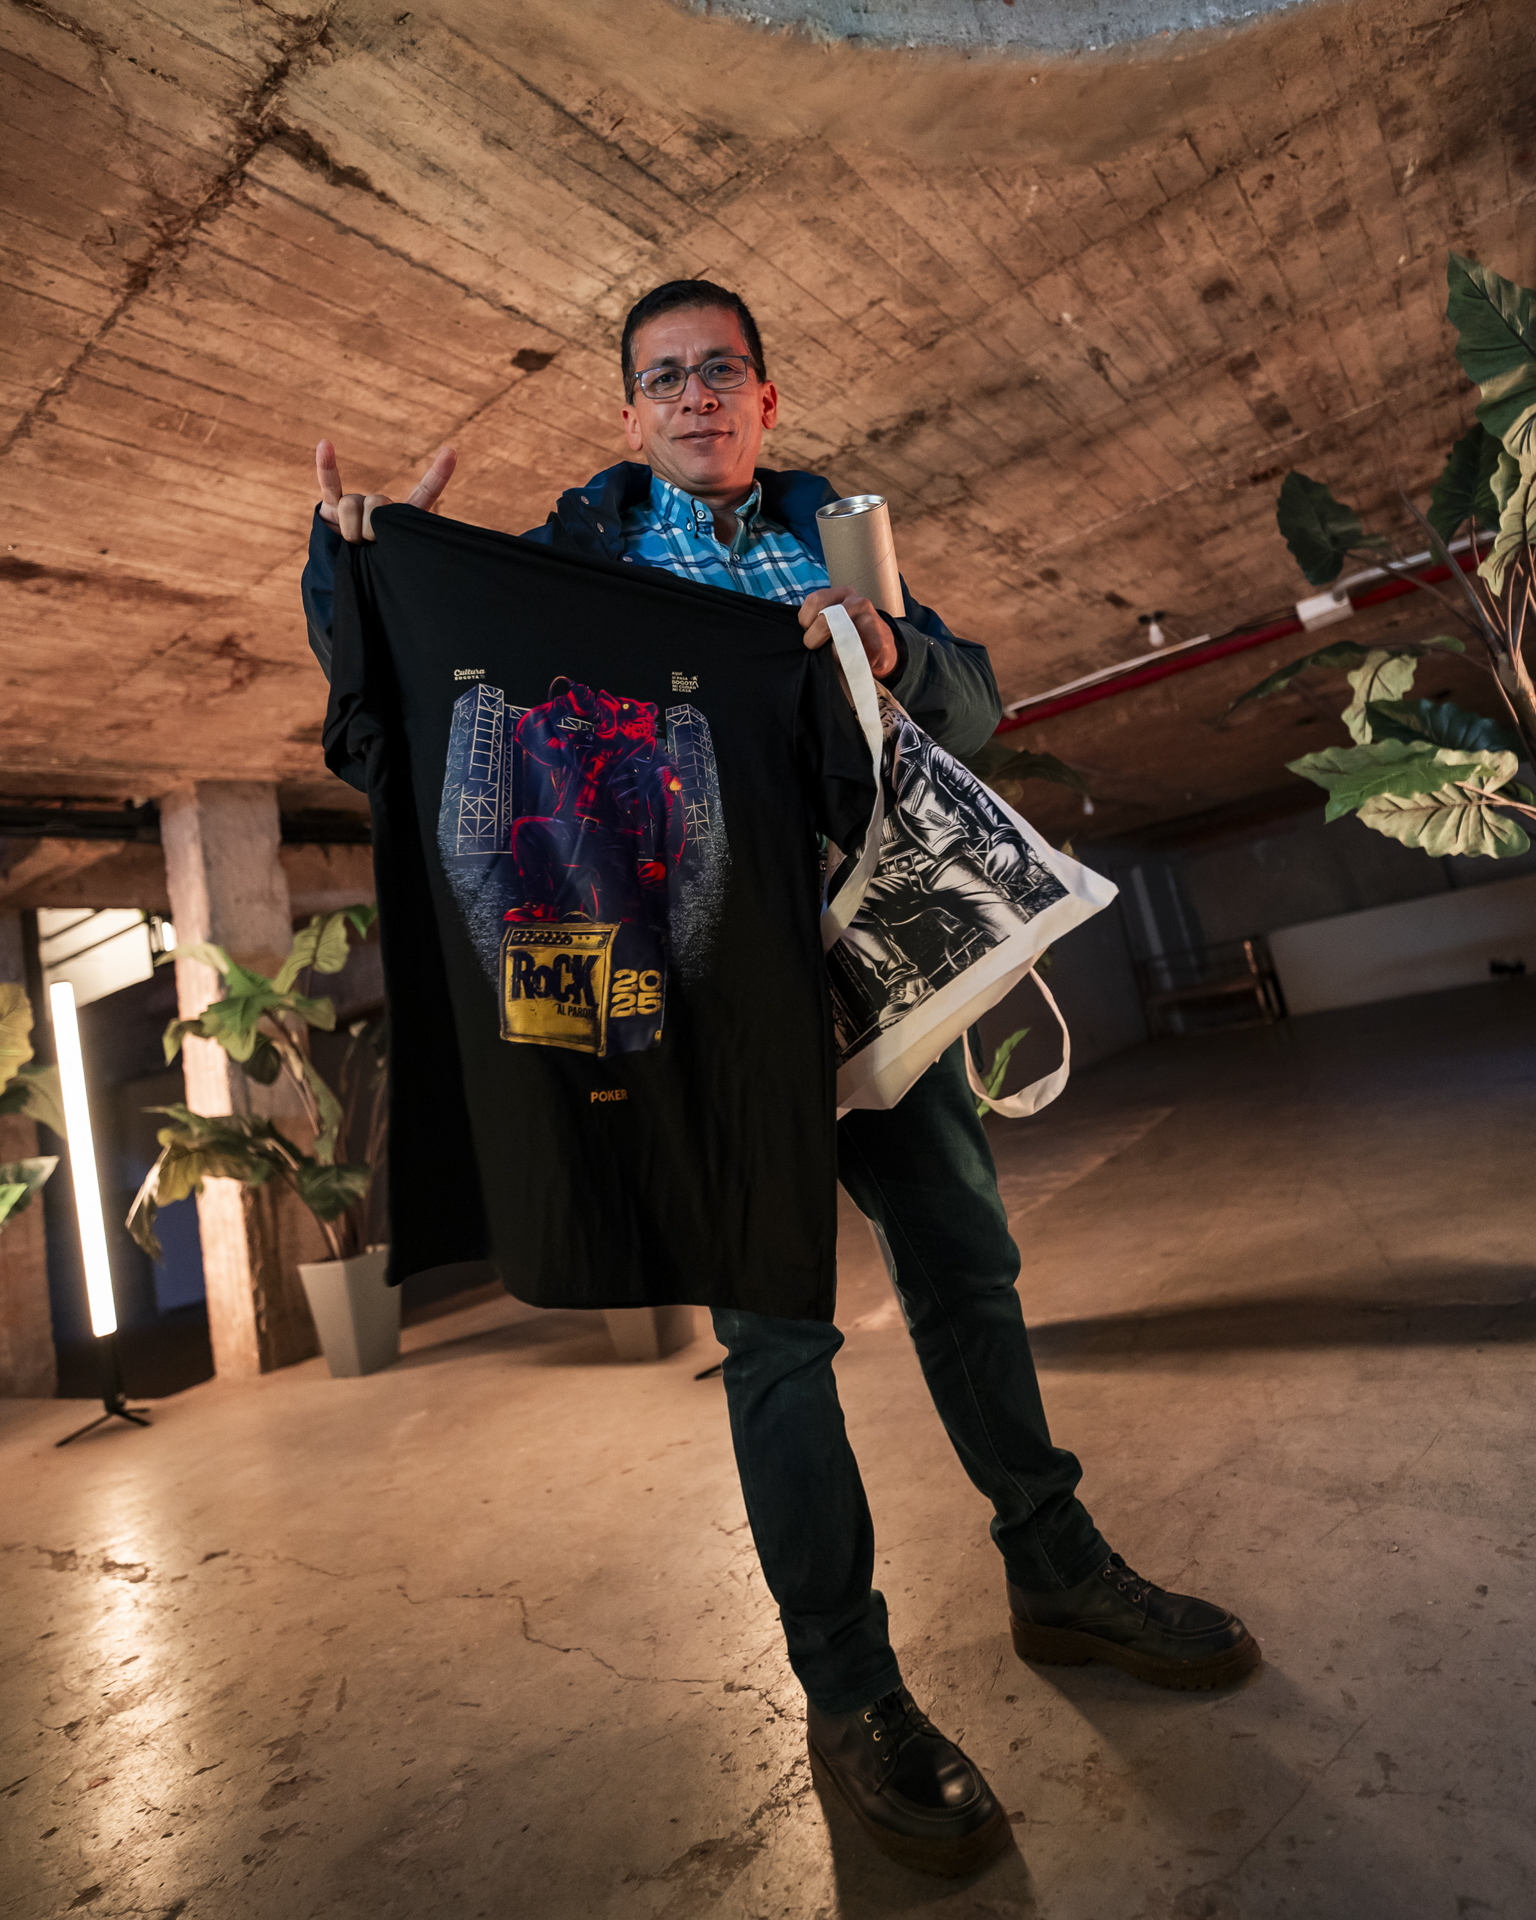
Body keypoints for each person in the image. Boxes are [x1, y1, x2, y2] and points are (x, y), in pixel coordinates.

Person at [301, 278, 1259, 1879]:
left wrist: (890, 642)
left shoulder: (833, 538)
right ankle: (851, 1694)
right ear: (630, 414)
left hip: (878, 961)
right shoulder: (575, 564)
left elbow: (972, 706)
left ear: (764, 398)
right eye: (664, 376)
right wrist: (362, 571)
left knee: (967, 1264)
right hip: (704, 997)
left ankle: (1059, 1573)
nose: (694, 395)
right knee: (777, 1336)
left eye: (721, 371)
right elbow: (401, 711)